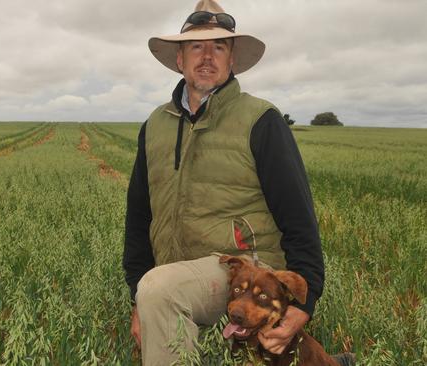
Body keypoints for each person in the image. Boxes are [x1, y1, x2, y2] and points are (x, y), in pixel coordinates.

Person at [122, 1, 353, 364]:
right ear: (179, 59)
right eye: (196, 46)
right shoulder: (155, 126)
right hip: (175, 270)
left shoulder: (260, 119)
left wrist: (304, 305)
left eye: (219, 46)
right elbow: (138, 218)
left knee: (161, 291)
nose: (207, 56)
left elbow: (299, 216)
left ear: (232, 60)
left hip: (244, 266)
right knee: (157, 291)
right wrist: (139, 298)